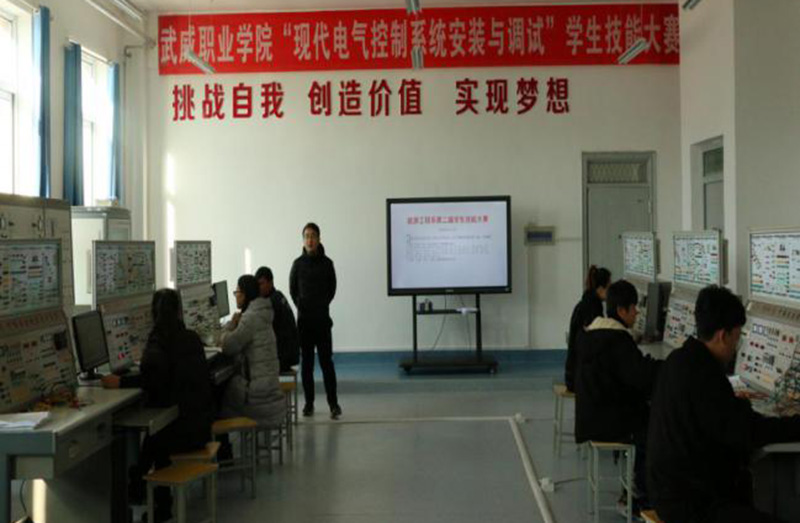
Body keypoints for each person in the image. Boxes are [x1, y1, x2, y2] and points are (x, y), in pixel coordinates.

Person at [648, 286, 800, 523]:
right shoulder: (704, 374)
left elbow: (721, 418)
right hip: (691, 503)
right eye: (737, 338)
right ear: (723, 336)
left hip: (668, 490)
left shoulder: (679, 360)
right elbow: (749, 431)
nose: (736, 347)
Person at [102, 288, 213, 523]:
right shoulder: (191, 338)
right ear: (179, 311)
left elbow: (152, 379)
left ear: (153, 313)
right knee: (157, 432)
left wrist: (121, 382)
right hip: (201, 429)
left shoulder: (159, 342)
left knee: (156, 435)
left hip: (181, 436)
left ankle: (143, 493)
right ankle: (144, 491)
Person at [575, 279, 661, 517]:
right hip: (607, 421)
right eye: (634, 308)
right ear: (622, 311)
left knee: (647, 416)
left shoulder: (593, 333)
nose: (637, 313)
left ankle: (634, 490)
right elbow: (640, 377)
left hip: (591, 417)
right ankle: (639, 497)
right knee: (655, 428)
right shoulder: (618, 339)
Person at [219, 275, 286, 429]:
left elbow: (228, 346)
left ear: (245, 294)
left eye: (237, 292)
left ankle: (221, 443)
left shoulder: (250, 318)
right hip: (271, 393)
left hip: (258, 399)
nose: (236, 296)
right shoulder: (263, 313)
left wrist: (230, 325)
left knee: (219, 397)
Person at [289, 222, 341, 419]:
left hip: (322, 322)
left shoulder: (327, 264)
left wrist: (320, 305)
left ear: (319, 239)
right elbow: (293, 290)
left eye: (313, 236)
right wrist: (302, 305)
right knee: (307, 365)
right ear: (303, 240)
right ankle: (309, 404)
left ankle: (333, 404)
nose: (310, 240)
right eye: (307, 236)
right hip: (305, 323)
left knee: (327, 363)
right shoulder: (297, 264)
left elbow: (332, 289)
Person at [565, 265, 611, 392]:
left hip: (573, 374)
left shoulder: (586, 303)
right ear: (600, 289)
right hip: (579, 379)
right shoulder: (593, 308)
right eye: (609, 286)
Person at [256, 266, 300, 373]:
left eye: (261, 284)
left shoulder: (271, 302)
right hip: (290, 354)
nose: (259, 288)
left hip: (282, 358)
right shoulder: (278, 296)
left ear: (270, 282)